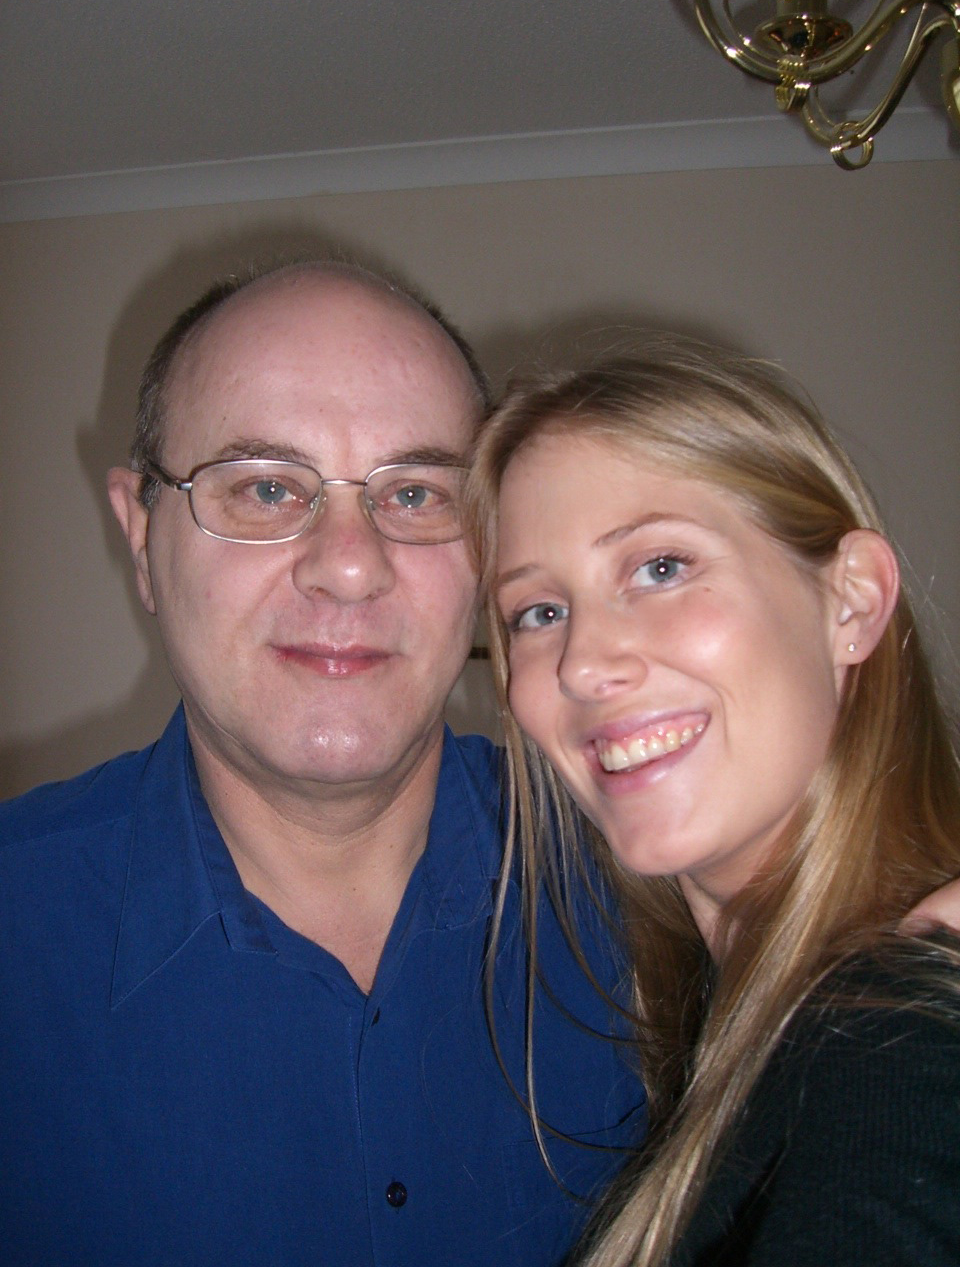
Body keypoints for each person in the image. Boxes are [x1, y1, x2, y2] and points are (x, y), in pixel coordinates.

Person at [0, 261, 646, 1267]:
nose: (349, 564)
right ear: (141, 533)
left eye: (416, 492)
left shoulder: (649, 886)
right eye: (266, 487)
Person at [466, 335, 960, 1266]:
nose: (583, 663)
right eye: (540, 612)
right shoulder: (712, 1018)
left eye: (661, 567)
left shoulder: (902, 1029)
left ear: (852, 601)